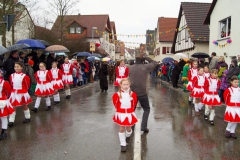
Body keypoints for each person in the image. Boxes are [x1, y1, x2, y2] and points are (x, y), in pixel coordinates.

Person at [129, 55, 158, 132]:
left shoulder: (130, 67)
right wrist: (147, 58)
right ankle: (143, 126)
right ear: (143, 60)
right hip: (142, 92)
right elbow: (155, 63)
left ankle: (132, 126)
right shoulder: (145, 67)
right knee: (146, 109)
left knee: (132, 109)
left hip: (132, 92)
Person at [112, 78, 138, 152]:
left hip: (129, 113)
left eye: (127, 84)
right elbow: (115, 104)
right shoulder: (117, 95)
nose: (126, 86)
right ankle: (123, 144)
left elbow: (134, 103)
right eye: (124, 84)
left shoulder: (133, 94)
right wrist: (120, 111)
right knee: (122, 127)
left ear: (129, 85)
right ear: (121, 85)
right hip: (121, 114)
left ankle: (127, 136)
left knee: (129, 129)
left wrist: (130, 111)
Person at [8, 62, 32, 127]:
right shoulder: (12, 75)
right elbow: (12, 84)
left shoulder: (25, 76)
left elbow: (27, 85)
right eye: (15, 67)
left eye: (18, 66)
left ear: (21, 67)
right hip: (14, 93)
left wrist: (24, 91)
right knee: (13, 107)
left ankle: (27, 117)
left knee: (24, 105)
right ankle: (11, 121)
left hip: (22, 93)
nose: (16, 68)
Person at [0, 70, 14, 140]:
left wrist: (4, 98)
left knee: (3, 116)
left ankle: (3, 131)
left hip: (2, 101)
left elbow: (8, 92)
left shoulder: (4, 83)